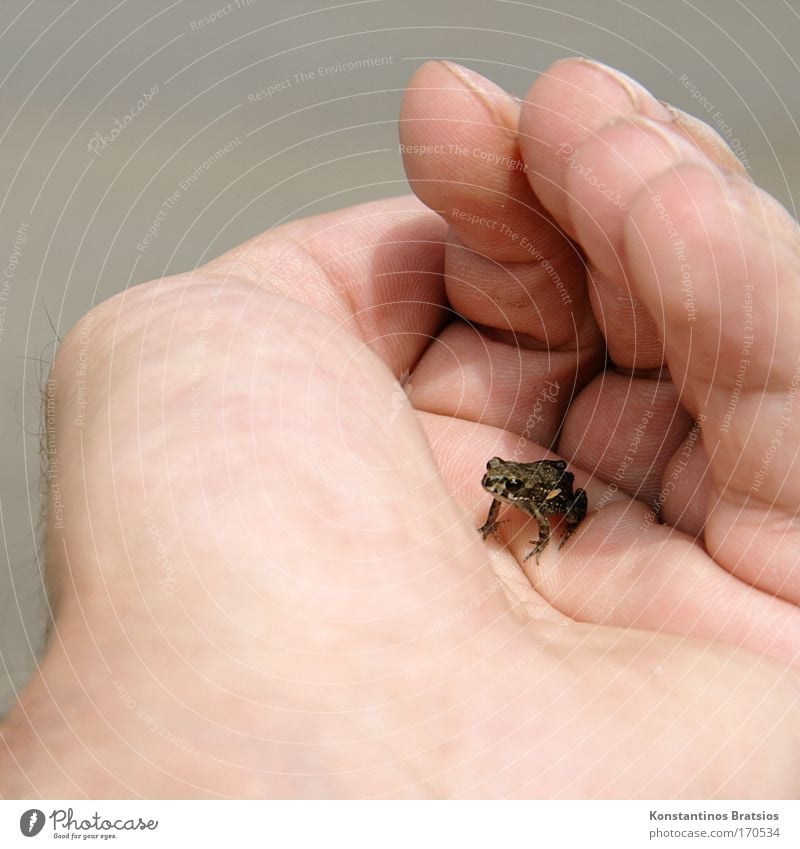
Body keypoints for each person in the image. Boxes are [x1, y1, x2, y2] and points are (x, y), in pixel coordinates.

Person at [2, 59, 798, 798]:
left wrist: (552, 531)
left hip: (576, 503)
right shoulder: (497, 490)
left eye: (499, 485)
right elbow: (504, 501)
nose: (495, 490)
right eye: (496, 485)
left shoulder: (538, 489)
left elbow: (553, 497)